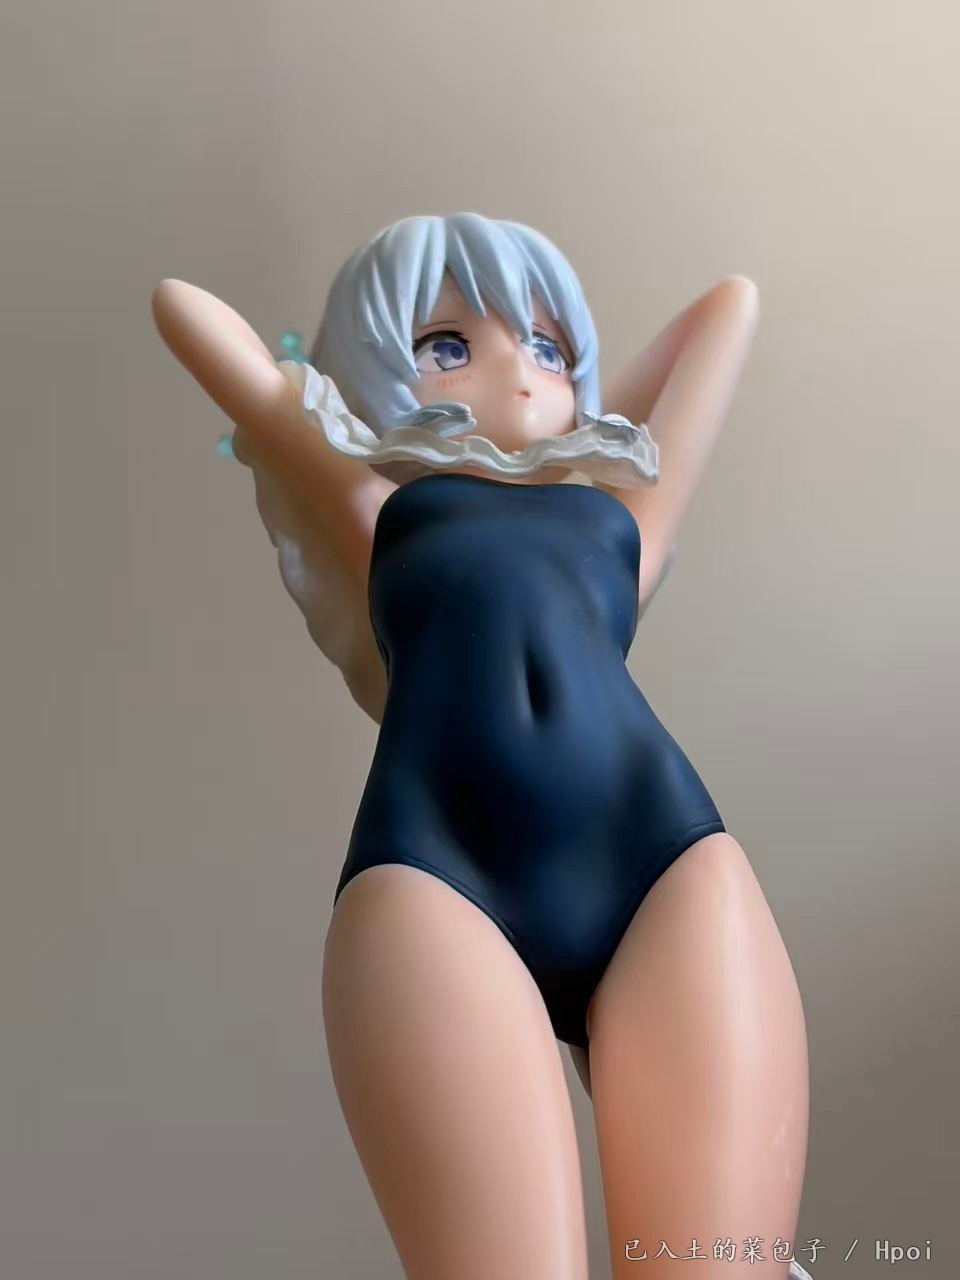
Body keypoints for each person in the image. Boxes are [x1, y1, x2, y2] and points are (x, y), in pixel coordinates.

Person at [152, 212, 813, 1280]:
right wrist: (328, 408)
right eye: (447, 343)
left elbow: (726, 310)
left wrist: (579, 415)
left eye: (545, 345)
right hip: (437, 883)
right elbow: (184, 312)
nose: (514, 369)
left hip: (664, 865)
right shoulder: (374, 508)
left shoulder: (626, 517)